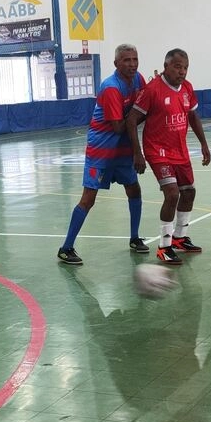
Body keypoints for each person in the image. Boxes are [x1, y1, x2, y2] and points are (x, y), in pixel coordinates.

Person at [56, 43, 148, 265]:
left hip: (122, 148)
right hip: (102, 150)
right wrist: (137, 116)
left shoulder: (138, 80)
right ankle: (66, 248)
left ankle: (134, 238)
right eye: (126, 60)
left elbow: (144, 108)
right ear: (116, 63)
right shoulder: (111, 88)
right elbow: (119, 127)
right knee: (88, 199)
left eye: (135, 59)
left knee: (134, 189)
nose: (132, 64)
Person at [132, 47, 211, 265]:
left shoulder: (187, 88)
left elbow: (192, 116)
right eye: (177, 67)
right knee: (172, 194)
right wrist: (137, 152)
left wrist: (203, 143)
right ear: (166, 66)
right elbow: (132, 120)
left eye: (185, 67)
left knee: (189, 192)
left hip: (180, 150)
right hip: (158, 151)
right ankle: (164, 247)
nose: (182, 71)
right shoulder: (152, 90)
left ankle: (179, 238)